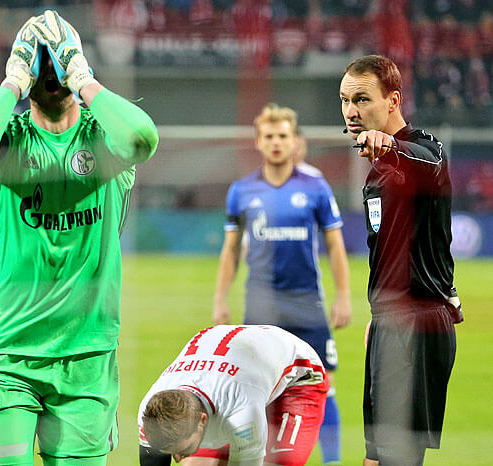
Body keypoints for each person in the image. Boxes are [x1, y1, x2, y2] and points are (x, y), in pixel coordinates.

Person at [0, 10, 158, 466]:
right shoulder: (9, 141)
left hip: (86, 356)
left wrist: (84, 78)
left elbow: (143, 139)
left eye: (58, 63)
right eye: (40, 64)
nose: (51, 73)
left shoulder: (104, 141)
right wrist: (11, 82)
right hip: (3, 355)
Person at [339, 54, 461, 466]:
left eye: (362, 99)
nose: (352, 111)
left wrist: (389, 143)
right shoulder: (377, 172)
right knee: (375, 458)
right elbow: (424, 239)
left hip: (415, 326)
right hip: (389, 323)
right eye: (345, 100)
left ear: (393, 100)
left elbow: (429, 162)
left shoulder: (424, 150)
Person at [213, 103, 351, 465]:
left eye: (283, 136)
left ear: (294, 142)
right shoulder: (241, 191)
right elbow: (231, 251)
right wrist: (220, 300)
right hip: (260, 306)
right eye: (270, 136)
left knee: (323, 387)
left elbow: (336, 244)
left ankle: (332, 461)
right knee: (258, 391)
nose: (277, 142)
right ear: (258, 142)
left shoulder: (316, 188)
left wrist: (344, 296)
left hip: (308, 304)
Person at [138, 324, 329, 465]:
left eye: (183, 450)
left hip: (298, 379)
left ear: (202, 419)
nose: (178, 459)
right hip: (242, 367)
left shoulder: (242, 415)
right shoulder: (149, 413)